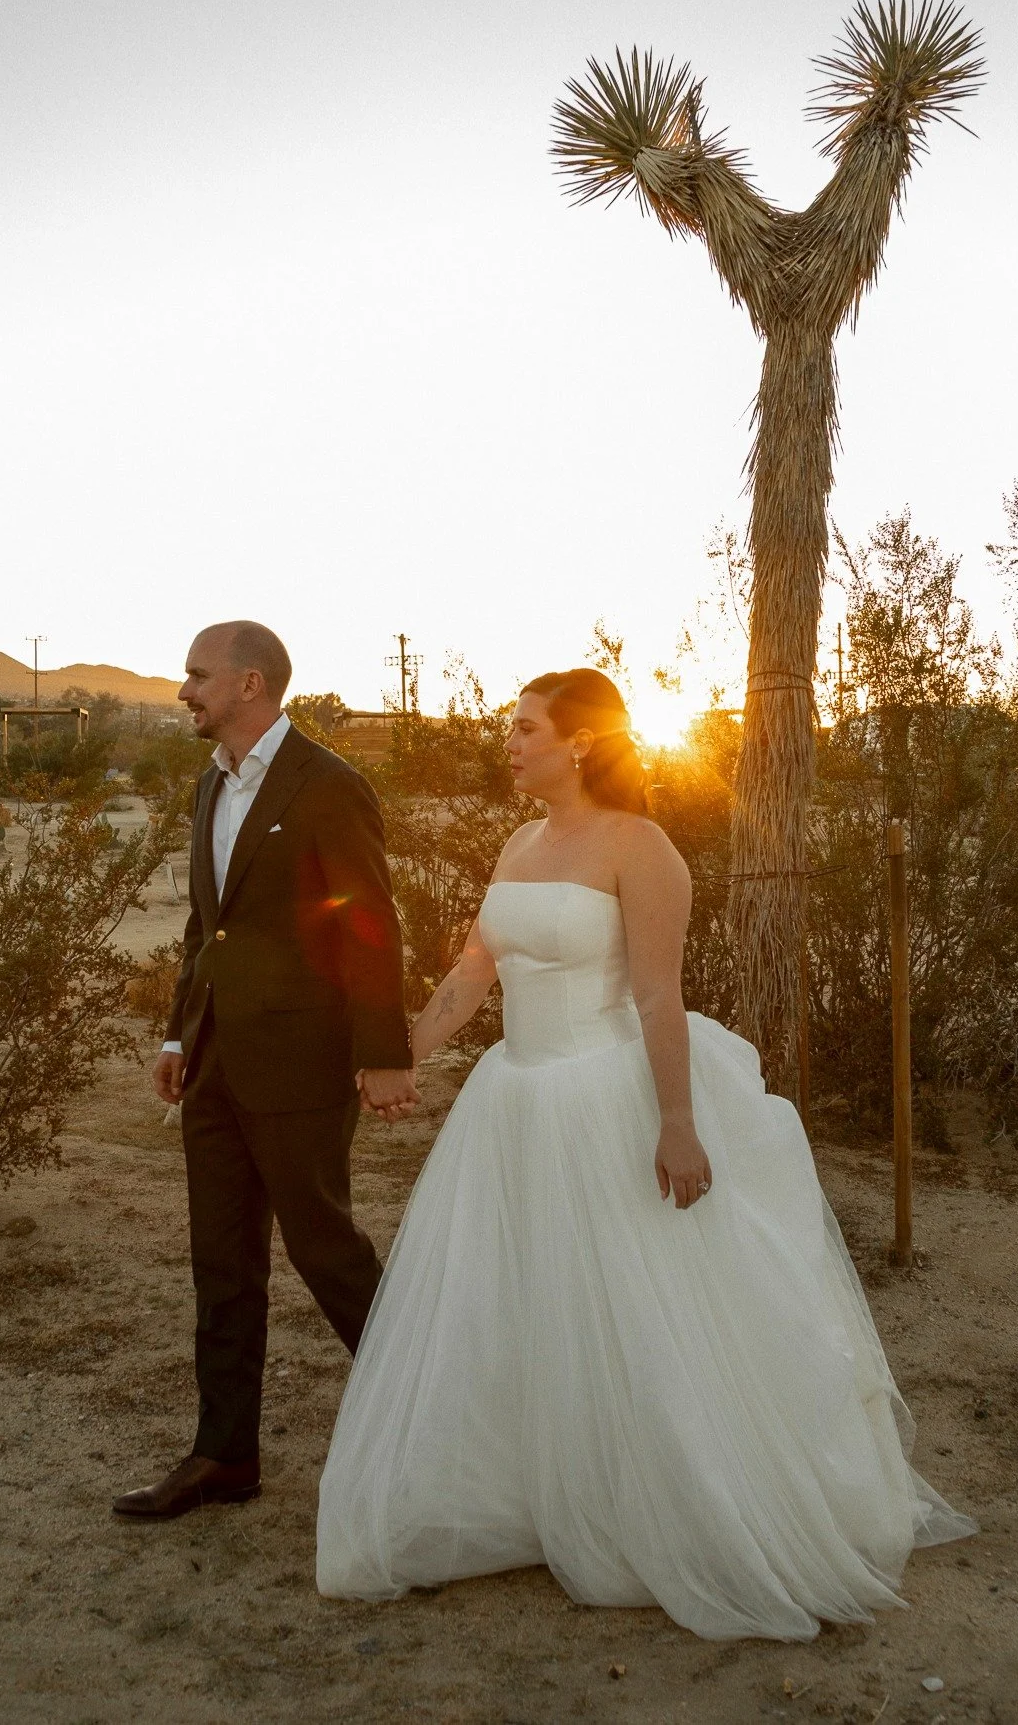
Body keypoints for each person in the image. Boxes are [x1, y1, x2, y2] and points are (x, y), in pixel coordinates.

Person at [316, 667, 973, 1640]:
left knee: (634, 1303)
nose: (509, 741)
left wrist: (676, 1120)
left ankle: (662, 1496)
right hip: (517, 1100)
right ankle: (544, 1485)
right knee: (535, 1298)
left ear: (581, 740)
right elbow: (472, 972)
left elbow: (660, 998)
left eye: (524, 726)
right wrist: (395, 1056)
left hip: (606, 1095)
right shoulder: (519, 842)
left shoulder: (642, 847)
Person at [113, 621, 414, 1521]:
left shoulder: (330, 785)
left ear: (250, 683)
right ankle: (223, 1457)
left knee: (327, 1253)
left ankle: (439, 1419)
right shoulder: (210, 782)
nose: (183, 691)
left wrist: (384, 1054)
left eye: (196, 676)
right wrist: (176, 1037)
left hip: (301, 1064)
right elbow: (209, 930)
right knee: (222, 1264)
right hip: (213, 1064)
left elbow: (371, 922)